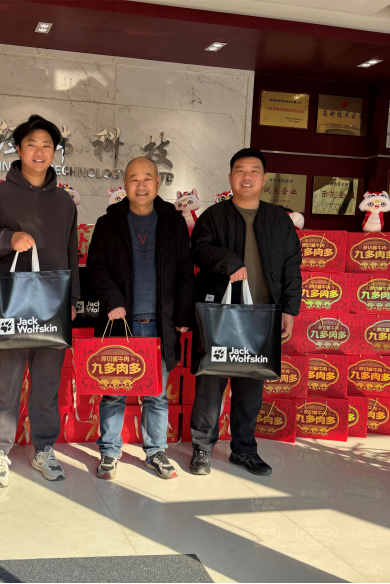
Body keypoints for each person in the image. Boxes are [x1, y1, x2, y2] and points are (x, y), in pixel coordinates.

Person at [0, 114, 80, 488]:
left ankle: (43, 449)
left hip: (52, 306)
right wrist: (8, 238)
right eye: (32, 144)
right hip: (11, 305)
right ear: (18, 149)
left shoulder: (64, 201)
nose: (39, 151)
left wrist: (72, 299)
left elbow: (71, 252)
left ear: (55, 152)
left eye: (47, 145)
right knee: (5, 383)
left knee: (47, 385)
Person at [189, 148, 301, 477]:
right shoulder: (214, 216)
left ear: (264, 179)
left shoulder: (279, 219)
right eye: (240, 170)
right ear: (230, 178)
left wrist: (290, 309)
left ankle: (243, 450)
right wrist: (229, 262)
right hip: (220, 316)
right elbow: (199, 250)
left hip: (261, 317)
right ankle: (202, 449)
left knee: (251, 389)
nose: (247, 177)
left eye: (254, 171)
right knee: (210, 385)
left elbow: (292, 265)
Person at [87, 157, 195, 480]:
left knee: (157, 395)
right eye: (134, 179)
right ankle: (109, 451)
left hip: (159, 324)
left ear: (158, 182)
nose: (141, 185)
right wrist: (113, 300)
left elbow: (185, 271)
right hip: (121, 322)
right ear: (125, 184)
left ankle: (155, 451)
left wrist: (182, 314)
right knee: (113, 392)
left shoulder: (173, 223)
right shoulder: (109, 222)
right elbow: (95, 267)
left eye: (147, 178)